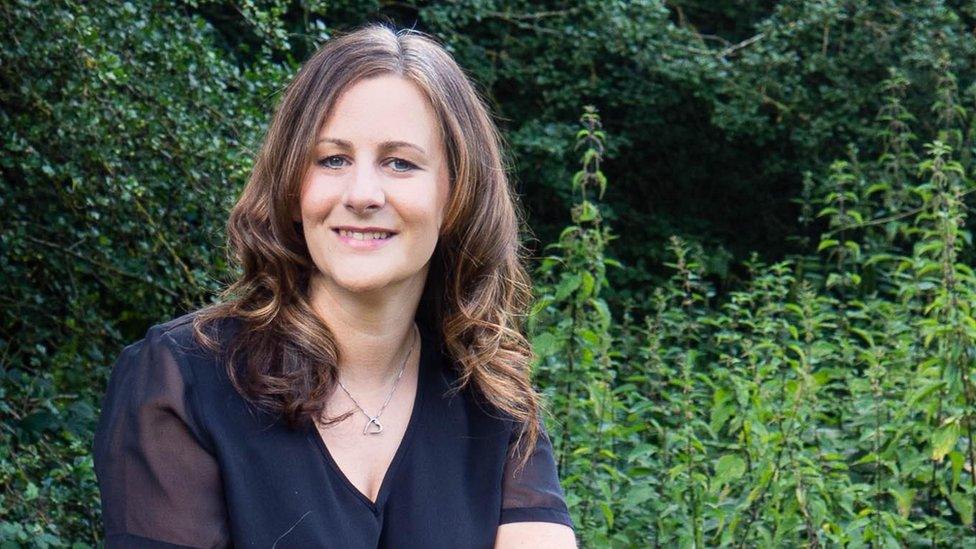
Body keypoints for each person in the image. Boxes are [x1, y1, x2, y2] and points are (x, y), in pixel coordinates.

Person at [92, 21, 577, 548]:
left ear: (456, 195)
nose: (363, 193)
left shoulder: (493, 407)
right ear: (292, 185)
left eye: (399, 162)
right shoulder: (182, 382)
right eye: (332, 159)